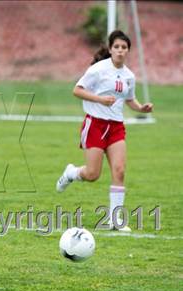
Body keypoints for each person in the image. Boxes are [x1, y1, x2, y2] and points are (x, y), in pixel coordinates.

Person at [56, 30, 153, 232]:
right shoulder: (98, 70)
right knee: (92, 174)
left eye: (124, 48)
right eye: (116, 47)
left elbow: (129, 100)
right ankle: (71, 172)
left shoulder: (129, 76)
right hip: (95, 124)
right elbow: (77, 90)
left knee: (119, 171)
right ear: (110, 49)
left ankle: (115, 220)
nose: (120, 51)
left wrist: (141, 107)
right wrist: (100, 99)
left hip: (116, 127)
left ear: (128, 51)